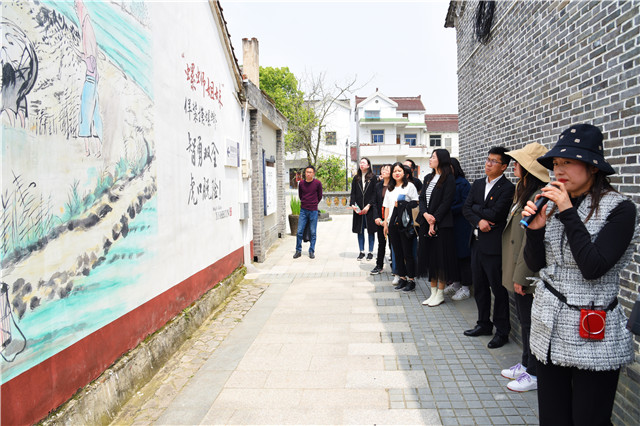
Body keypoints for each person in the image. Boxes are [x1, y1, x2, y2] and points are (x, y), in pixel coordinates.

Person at [522, 124, 637, 425]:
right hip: (549, 326)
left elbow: (593, 267)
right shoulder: (553, 205)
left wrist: (567, 210)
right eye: (556, 163)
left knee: (589, 418)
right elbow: (536, 264)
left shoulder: (621, 209)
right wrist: (535, 231)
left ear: (593, 167)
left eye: (568, 162)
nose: (558, 170)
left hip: (592, 329)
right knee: (553, 417)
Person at [499, 142, 549, 393]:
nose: (514, 166)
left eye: (518, 163)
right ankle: (526, 363)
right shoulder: (523, 190)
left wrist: (522, 276)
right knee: (524, 320)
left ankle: (534, 373)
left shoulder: (537, 196)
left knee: (530, 323)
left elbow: (530, 240)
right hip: (517, 266)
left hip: (527, 271)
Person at [462, 147, 515, 349]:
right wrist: (479, 221)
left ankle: (502, 331)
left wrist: (478, 210)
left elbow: (496, 214)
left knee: (498, 290)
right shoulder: (477, 184)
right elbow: (466, 208)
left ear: (504, 166)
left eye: (494, 161)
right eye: (488, 159)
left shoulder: (508, 188)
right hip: (476, 243)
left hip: (494, 247)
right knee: (480, 287)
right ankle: (483, 324)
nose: (488, 164)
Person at [418, 149, 458, 307]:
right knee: (430, 259)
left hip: (442, 225)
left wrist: (434, 220)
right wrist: (426, 215)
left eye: (433, 157)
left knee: (440, 259)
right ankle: (433, 292)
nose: (430, 159)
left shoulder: (449, 179)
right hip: (426, 222)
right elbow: (422, 199)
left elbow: (446, 203)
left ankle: (440, 293)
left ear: (441, 159)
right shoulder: (428, 178)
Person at [383, 163, 419, 292]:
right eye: (394, 171)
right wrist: (385, 223)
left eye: (399, 171)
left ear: (404, 173)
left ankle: (411, 280)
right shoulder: (390, 188)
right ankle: (402, 278)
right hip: (392, 223)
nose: (397, 173)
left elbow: (416, 203)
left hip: (405, 224)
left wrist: (402, 204)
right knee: (397, 253)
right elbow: (387, 207)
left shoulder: (410, 186)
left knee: (407, 253)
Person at [75, 0, 103, 157]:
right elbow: (91, 60)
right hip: (93, 83)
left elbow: (90, 62)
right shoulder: (88, 27)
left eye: (76, 7)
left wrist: (82, 57)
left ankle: (87, 150)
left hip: (90, 83)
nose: (75, 9)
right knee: (95, 116)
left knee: (86, 116)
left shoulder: (86, 26)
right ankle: (97, 150)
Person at [445, 158, 473, 301]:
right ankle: (456, 284)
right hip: (450, 224)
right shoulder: (446, 183)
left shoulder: (463, 183)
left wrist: (448, 210)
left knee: (463, 256)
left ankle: (466, 288)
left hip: (461, 224)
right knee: (453, 256)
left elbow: (465, 204)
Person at [350, 158, 377, 261]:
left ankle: (370, 252)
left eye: (364, 163)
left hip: (369, 209)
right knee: (359, 230)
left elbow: (374, 193)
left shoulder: (373, 178)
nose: (361, 164)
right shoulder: (356, 178)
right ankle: (361, 251)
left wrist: (369, 205)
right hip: (359, 209)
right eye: (360, 163)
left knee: (371, 231)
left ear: (368, 165)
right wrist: (352, 204)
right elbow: (353, 193)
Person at [293, 165, 323, 259]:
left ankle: (311, 250)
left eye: (310, 172)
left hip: (313, 211)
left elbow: (320, 196)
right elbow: (300, 196)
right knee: (299, 231)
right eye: (307, 172)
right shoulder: (301, 183)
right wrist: (305, 203)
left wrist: (314, 203)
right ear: (305, 173)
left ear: (313, 173)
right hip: (303, 210)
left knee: (313, 232)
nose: (308, 174)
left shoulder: (317, 183)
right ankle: (298, 250)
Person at [371, 164, 392, 275]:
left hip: (392, 219)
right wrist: (377, 217)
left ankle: (395, 266)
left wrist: (388, 220)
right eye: (382, 169)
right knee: (381, 243)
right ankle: (379, 265)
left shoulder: (394, 186)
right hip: (380, 219)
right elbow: (374, 202)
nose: (383, 171)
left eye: (386, 169)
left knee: (393, 244)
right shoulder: (378, 186)